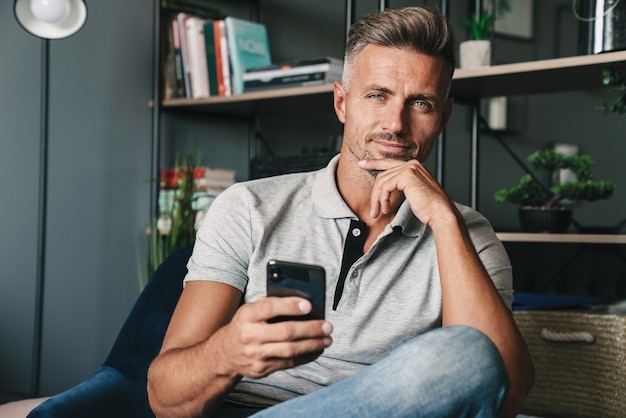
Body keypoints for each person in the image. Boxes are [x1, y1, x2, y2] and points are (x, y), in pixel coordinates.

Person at [147, 6, 534, 418]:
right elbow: (165, 398)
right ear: (342, 102)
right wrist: (227, 352)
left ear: (443, 117)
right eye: (377, 95)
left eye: (420, 103)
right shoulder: (248, 208)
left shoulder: (468, 233)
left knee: (466, 355)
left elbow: (501, 392)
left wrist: (444, 221)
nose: (396, 124)